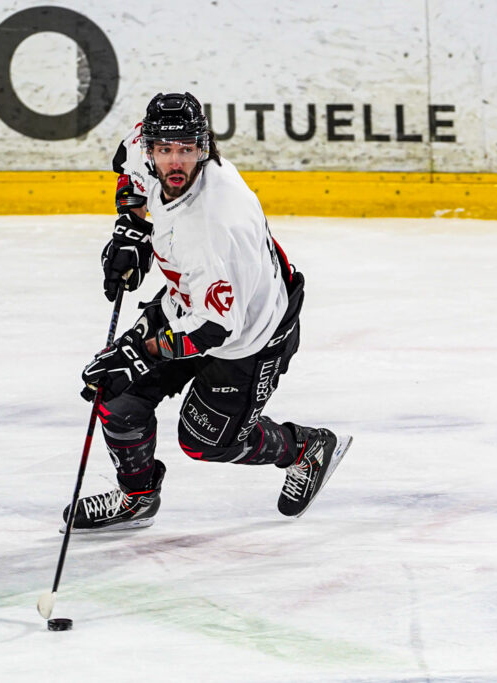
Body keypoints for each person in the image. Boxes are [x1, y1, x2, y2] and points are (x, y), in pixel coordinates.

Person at [63, 91, 352, 532]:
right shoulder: (147, 150)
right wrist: (132, 226)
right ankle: (137, 498)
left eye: (185, 151)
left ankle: (303, 449)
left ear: (204, 149)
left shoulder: (216, 227)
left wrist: (139, 355)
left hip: (251, 336)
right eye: (165, 150)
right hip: (190, 302)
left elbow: (213, 329)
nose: (175, 162)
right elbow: (128, 171)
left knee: (205, 442)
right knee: (116, 397)